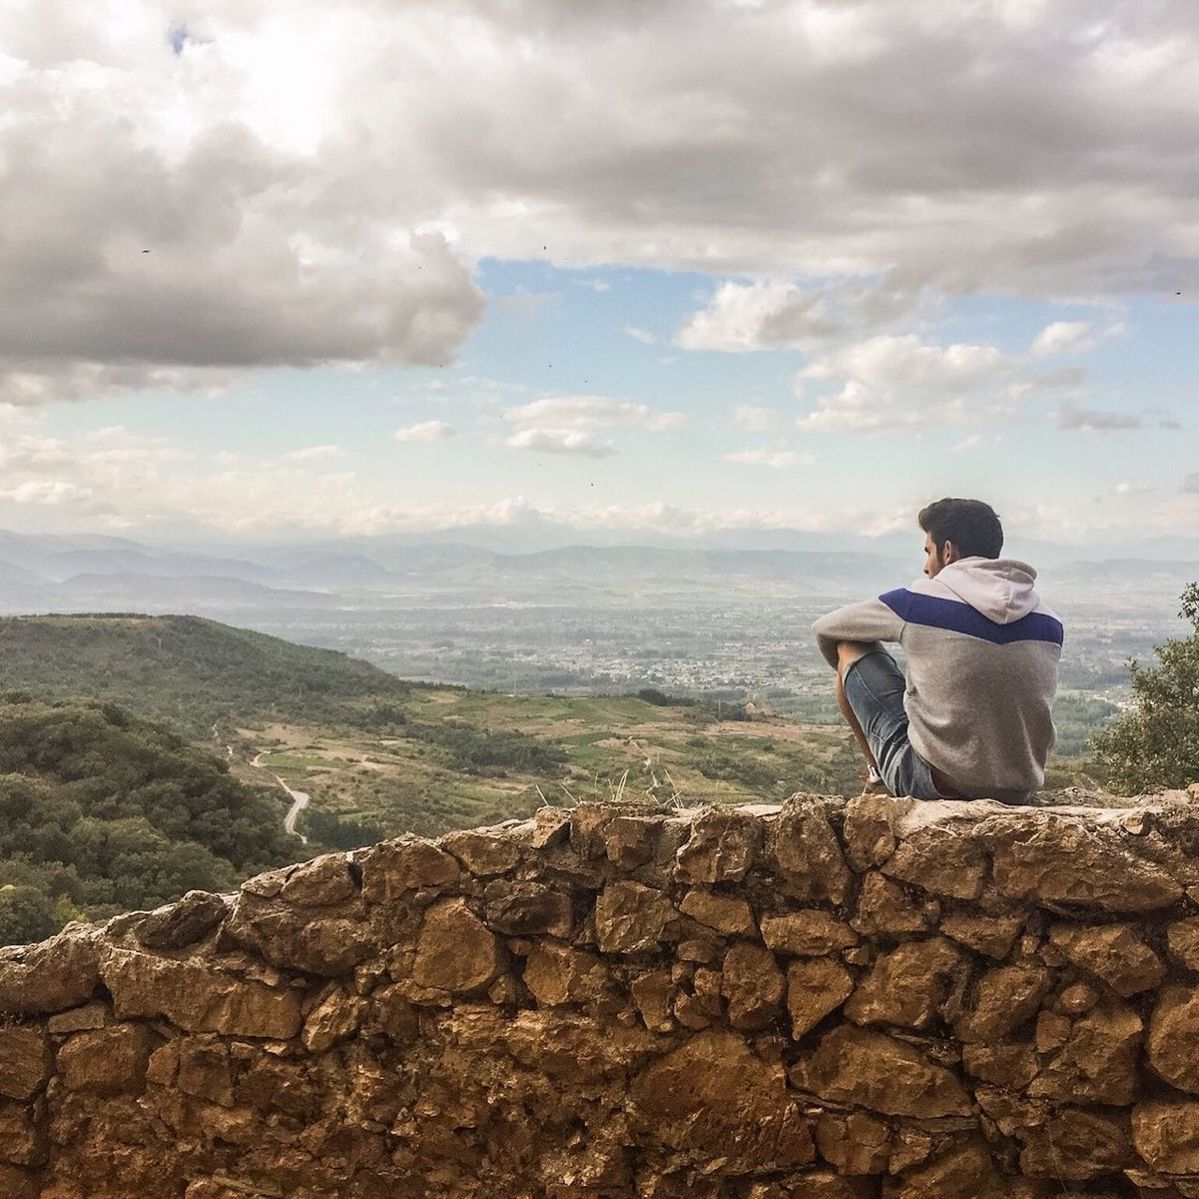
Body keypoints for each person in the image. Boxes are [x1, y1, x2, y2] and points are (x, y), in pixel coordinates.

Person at [812, 498, 1062, 804]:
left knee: (848, 645)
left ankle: (877, 776)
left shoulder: (919, 601)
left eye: (929, 552)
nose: (926, 566)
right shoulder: (1049, 620)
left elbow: (826, 628)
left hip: (934, 784)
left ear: (948, 551)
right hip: (1018, 792)